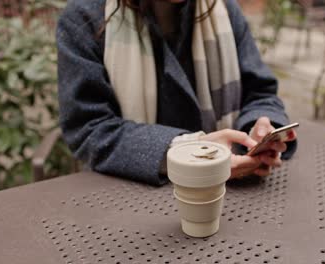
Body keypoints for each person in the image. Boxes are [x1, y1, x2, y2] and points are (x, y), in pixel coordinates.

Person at [56, 0, 297, 186]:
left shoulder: (224, 8)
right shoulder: (85, 18)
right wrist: (191, 151)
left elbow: (260, 93)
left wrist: (260, 132)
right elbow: (89, 129)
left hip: (226, 195)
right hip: (128, 197)